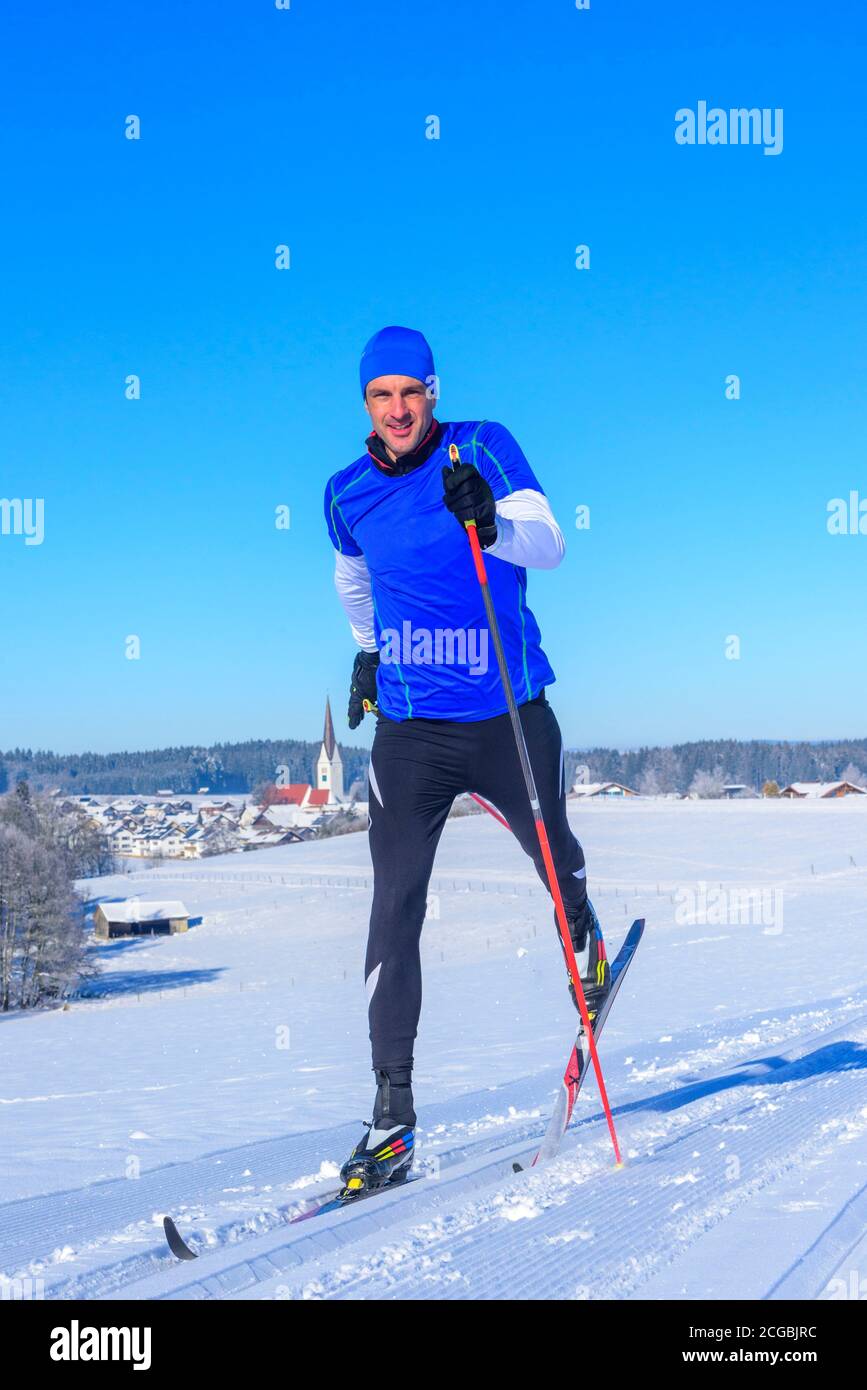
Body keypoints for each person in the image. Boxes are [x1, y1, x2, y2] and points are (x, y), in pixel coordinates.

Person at [324, 325, 609, 1193]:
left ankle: (584, 945)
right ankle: (390, 1118)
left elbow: (549, 543)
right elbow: (353, 580)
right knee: (393, 908)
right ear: (365, 403)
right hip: (410, 729)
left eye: (410, 392)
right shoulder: (345, 493)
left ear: (433, 393)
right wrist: (369, 653)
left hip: (505, 713)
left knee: (551, 859)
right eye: (381, 395)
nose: (398, 409)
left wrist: (488, 519)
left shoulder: (481, 445)